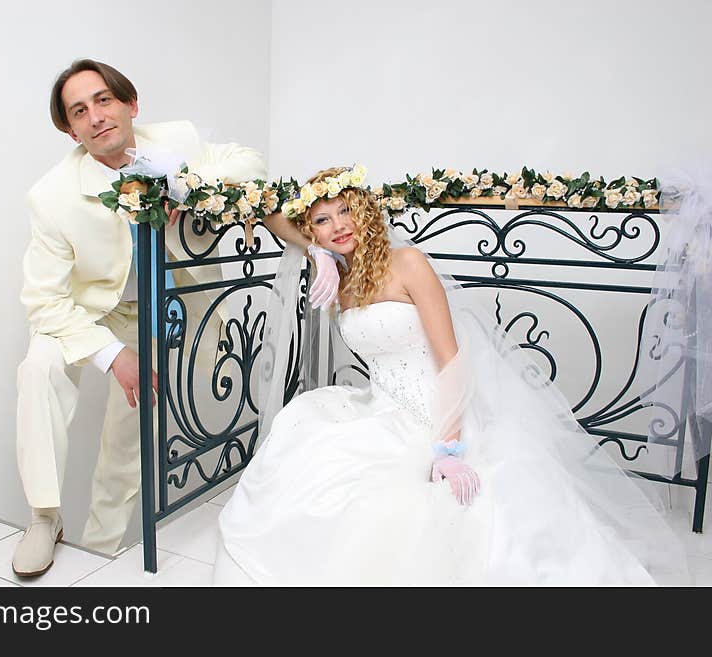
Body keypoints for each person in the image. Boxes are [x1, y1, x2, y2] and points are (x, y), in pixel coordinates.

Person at [213, 165, 689, 586]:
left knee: (410, 503)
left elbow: (452, 358)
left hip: (441, 413)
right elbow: (272, 211)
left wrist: (450, 447)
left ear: (364, 212)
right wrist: (317, 253)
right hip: (382, 407)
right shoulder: (341, 273)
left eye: (345, 211)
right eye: (322, 219)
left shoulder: (407, 264)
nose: (338, 226)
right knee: (306, 433)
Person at [12, 58, 282, 577]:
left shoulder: (174, 140)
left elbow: (249, 163)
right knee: (38, 367)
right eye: (79, 111)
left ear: (130, 104)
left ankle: (99, 550)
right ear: (70, 128)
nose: (95, 117)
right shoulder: (51, 197)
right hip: (93, 316)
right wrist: (113, 356)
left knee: (127, 437)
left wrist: (190, 187)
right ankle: (44, 516)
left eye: (104, 101)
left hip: (163, 309)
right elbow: (44, 302)